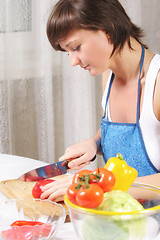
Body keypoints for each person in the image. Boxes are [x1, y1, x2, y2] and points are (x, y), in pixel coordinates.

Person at [41, 0, 160, 202]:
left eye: (76, 47)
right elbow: (124, 133)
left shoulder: (157, 84)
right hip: (118, 220)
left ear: (108, 30)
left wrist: (98, 185)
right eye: (67, 52)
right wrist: (94, 143)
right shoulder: (109, 76)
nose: (73, 61)